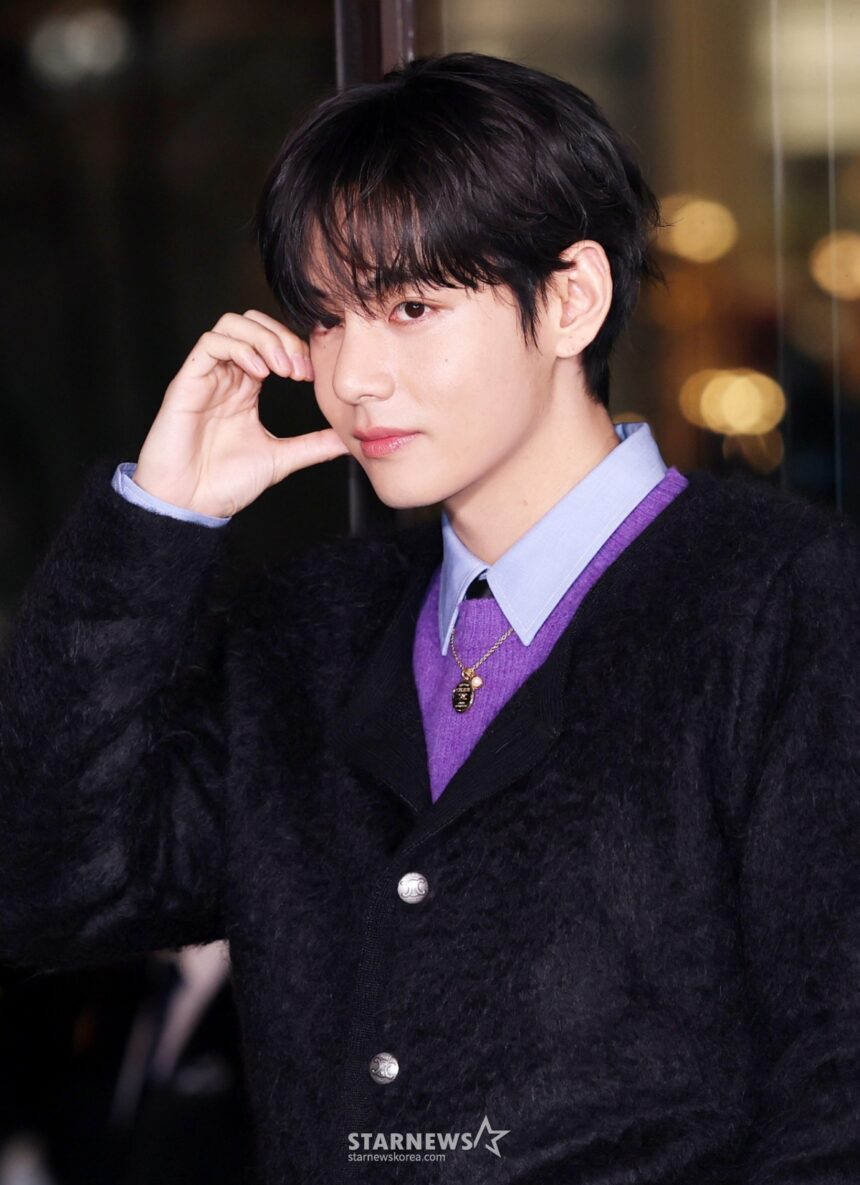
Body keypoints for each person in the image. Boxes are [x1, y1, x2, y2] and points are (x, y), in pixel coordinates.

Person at [1, 50, 859, 1185]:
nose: (352, 376)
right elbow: (50, 890)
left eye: (410, 308)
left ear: (570, 298)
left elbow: (838, 1087)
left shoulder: (787, 600)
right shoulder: (305, 629)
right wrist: (158, 520)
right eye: (325, 318)